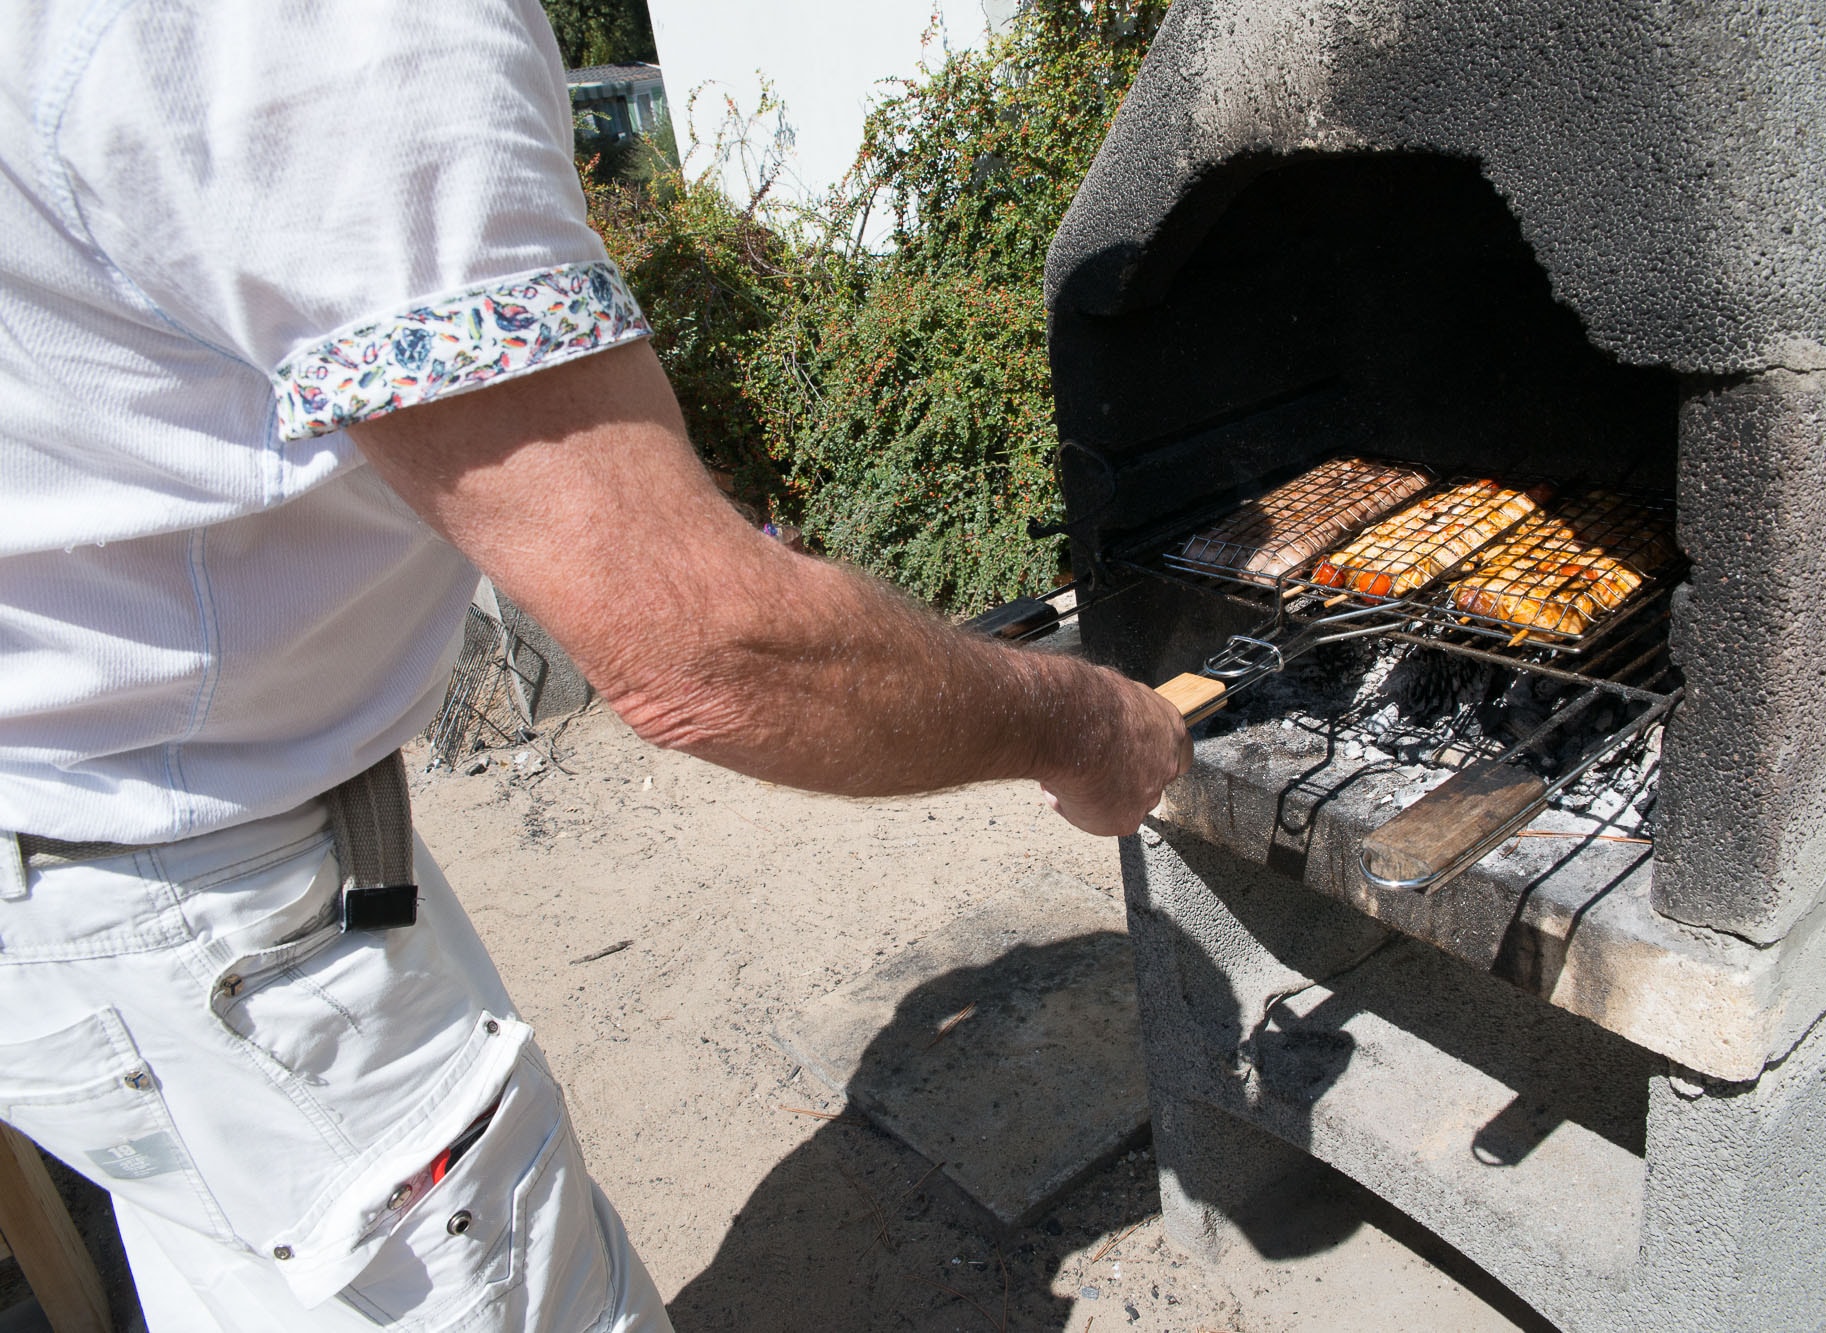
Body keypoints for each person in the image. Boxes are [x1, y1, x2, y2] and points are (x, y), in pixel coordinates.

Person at [0, 3, 1190, 1330]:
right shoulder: (332, 25)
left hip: (95, 877)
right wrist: (1081, 720)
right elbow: (708, 651)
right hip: (217, 914)